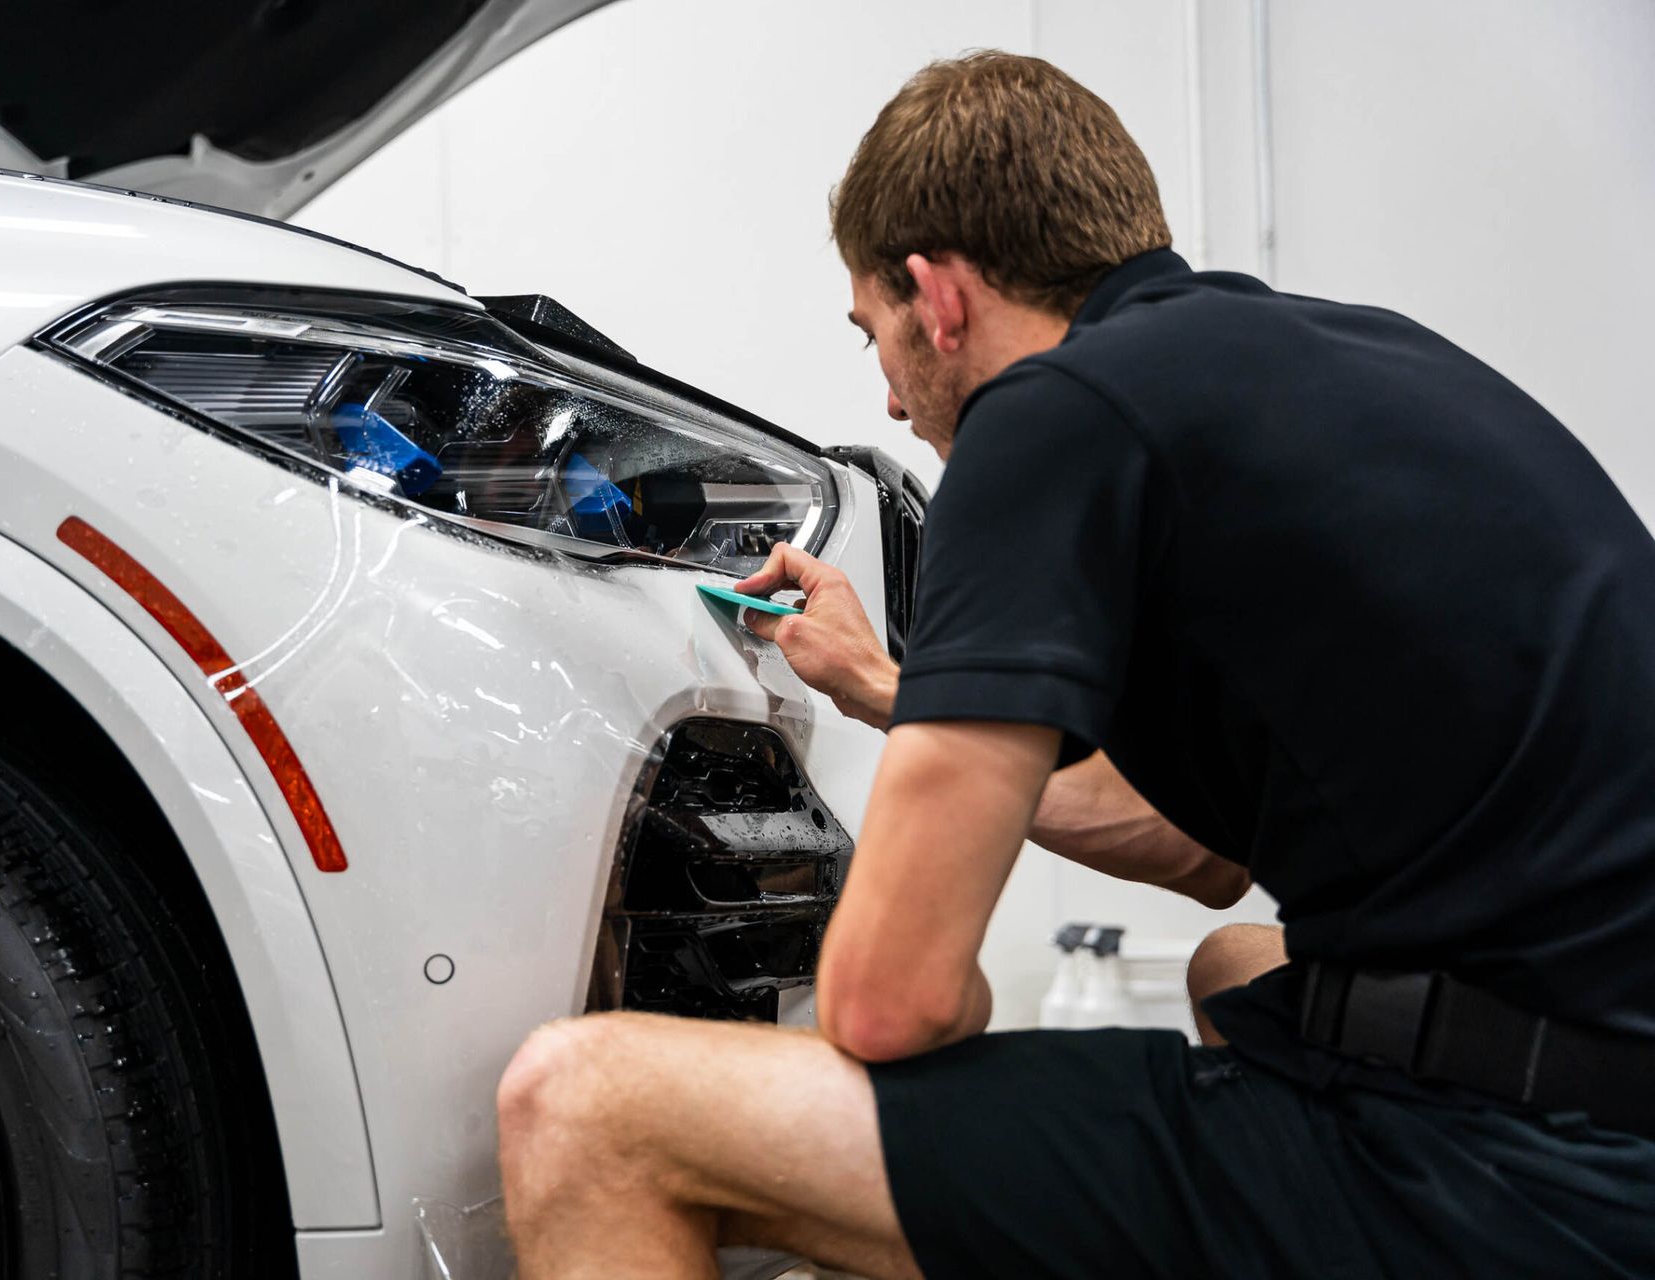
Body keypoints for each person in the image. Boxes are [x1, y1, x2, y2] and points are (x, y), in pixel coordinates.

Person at [494, 51, 1655, 1278]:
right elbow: (1208, 854)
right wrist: (894, 691)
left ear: (937, 297)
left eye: (871, 332)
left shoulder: (1050, 411)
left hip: (1512, 1172)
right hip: (1607, 1088)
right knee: (1237, 969)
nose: (888, 400)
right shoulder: (1335, 358)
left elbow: (892, 1004)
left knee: (582, 1110)